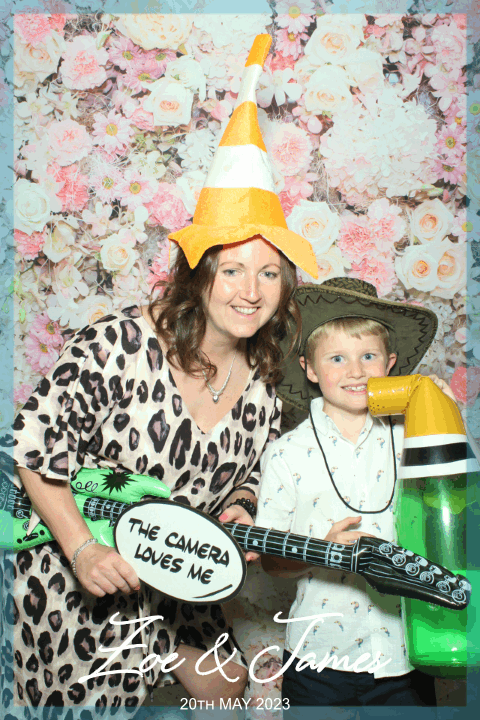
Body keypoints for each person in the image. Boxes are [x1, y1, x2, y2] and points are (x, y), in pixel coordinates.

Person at [11, 34, 318, 712]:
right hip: (79, 569)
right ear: (199, 275)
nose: (251, 292)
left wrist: (243, 507)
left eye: (269, 274)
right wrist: (83, 551)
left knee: (228, 688)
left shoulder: (263, 386)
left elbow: (249, 477)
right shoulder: (119, 342)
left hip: (175, 575)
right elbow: (32, 446)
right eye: (232, 270)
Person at [255, 277, 457, 709]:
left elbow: (456, 508)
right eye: (337, 358)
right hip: (317, 660)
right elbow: (271, 562)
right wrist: (321, 550)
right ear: (310, 369)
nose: (355, 371)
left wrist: (445, 418)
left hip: (405, 656)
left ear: (390, 363)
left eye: (368, 356)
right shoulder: (286, 454)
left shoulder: (415, 436)